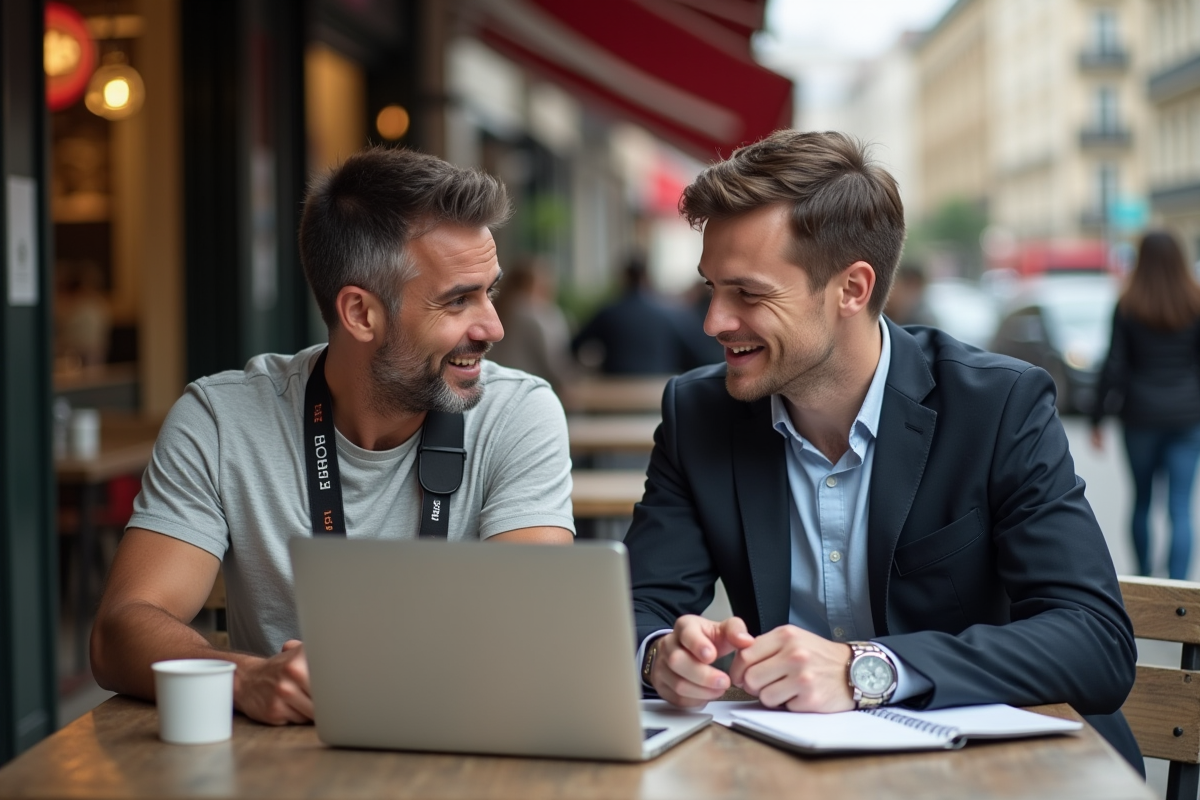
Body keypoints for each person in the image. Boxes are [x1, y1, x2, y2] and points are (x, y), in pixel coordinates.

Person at [624, 130, 1142, 772]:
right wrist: (660, 654)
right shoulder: (699, 413)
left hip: (1000, 774)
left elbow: (1095, 641)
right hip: (794, 774)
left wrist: (867, 669)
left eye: (749, 294)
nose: (713, 322)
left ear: (852, 289)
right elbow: (633, 608)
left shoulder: (997, 406)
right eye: (711, 289)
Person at [90, 147, 575, 725]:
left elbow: (531, 634)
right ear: (360, 313)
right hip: (278, 764)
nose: (493, 326)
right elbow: (120, 629)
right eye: (458, 300)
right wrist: (246, 679)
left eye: (489, 291)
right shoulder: (221, 418)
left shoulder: (520, 412)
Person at [1091, 231, 1200, 581]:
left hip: (1139, 417)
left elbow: (1114, 367)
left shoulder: (1128, 305)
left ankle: (1144, 577)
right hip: (1187, 416)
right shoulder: (1195, 302)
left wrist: (1097, 417)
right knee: (1180, 507)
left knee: (1141, 501)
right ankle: (1179, 587)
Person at [571, 255, 694, 375]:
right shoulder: (669, 314)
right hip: (658, 386)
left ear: (624, 278)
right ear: (647, 277)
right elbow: (693, 353)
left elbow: (576, 344)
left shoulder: (608, 313)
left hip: (615, 386)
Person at [488, 255, 576, 393]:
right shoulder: (538, 315)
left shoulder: (495, 308)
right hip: (530, 387)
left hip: (496, 384)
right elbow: (553, 363)